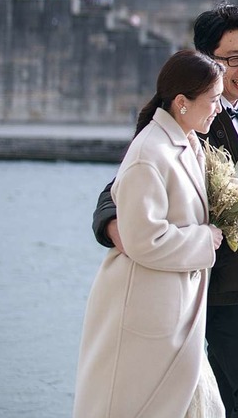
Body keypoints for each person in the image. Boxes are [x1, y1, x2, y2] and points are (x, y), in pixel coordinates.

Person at [92, 3, 238, 418]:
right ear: (208, 60)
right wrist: (119, 231)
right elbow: (121, 187)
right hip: (213, 277)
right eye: (235, 59)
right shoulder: (188, 115)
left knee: (228, 395)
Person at [74, 49, 226, 417]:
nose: (219, 108)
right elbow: (143, 240)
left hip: (172, 310)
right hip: (146, 310)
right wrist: (205, 240)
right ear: (182, 102)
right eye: (213, 99)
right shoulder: (149, 153)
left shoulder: (186, 143)